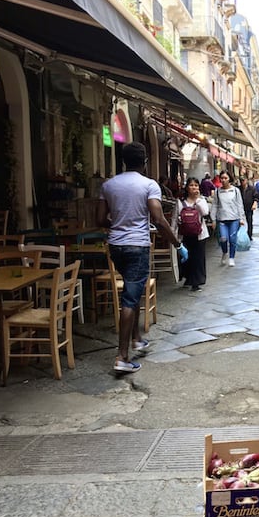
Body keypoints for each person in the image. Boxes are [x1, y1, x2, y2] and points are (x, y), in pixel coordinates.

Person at [97, 141, 187, 374]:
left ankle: (137, 338)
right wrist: (176, 243)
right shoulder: (149, 185)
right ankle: (122, 356)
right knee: (130, 298)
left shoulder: (108, 185)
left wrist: (118, 224)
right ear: (145, 162)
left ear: (124, 161)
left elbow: (100, 219)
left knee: (132, 290)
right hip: (137, 245)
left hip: (116, 245)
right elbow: (158, 218)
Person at [172, 177, 210, 291]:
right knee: (186, 258)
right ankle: (188, 278)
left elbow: (205, 212)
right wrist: (173, 234)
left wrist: (197, 199)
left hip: (200, 234)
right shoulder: (180, 202)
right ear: (187, 187)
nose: (194, 187)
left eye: (196, 185)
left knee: (198, 258)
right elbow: (174, 219)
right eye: (191, 185)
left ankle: (196, 282)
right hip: (184, 234)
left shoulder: (201, 200)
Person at [211, 172, 245, 266]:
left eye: (225, 178)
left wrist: (242, 218)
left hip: (234, 218)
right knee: (223, 238)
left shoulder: (235, 191)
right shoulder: (218, 191)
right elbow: (215, 205)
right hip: (222, 219)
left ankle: (231, 257)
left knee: (232, 238)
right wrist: (213, 219)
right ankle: (224, 252)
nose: (223, 180)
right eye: (222, 178)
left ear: (229, 179)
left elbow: (239, 204)